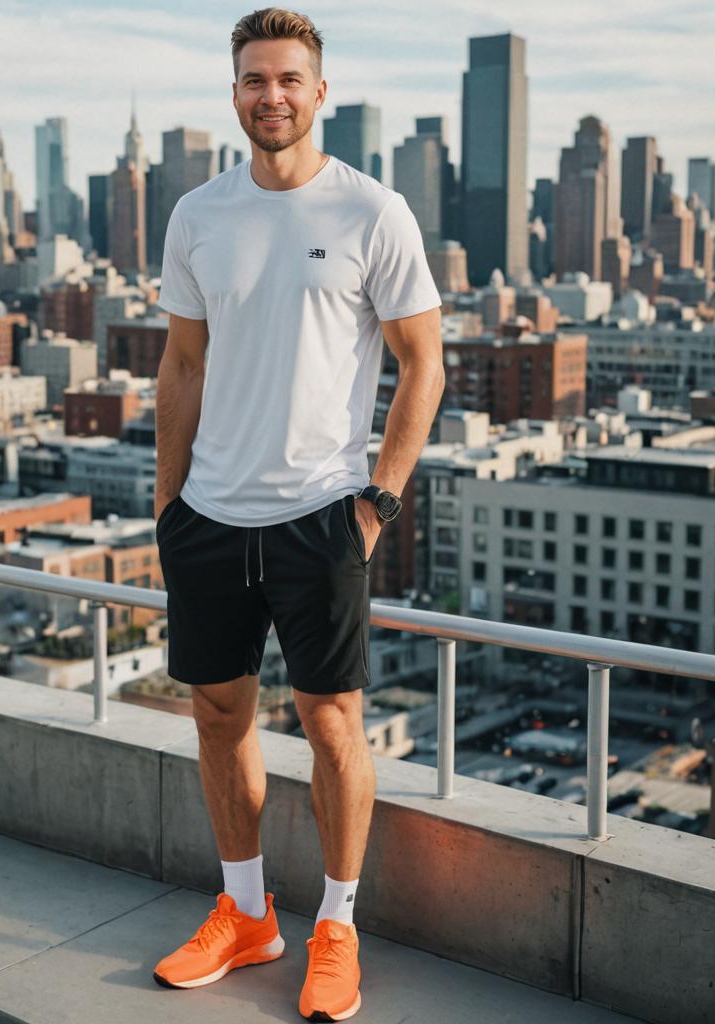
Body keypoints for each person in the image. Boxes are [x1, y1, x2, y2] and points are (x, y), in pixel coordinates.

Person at [150, 7, 444, 1021]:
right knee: (218, 712)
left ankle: (336, 925)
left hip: (323, 518)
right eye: (251, 79)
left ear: (320, 92)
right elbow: (182, 364)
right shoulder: (197, 214)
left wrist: (378, 504)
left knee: (330, 726)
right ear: (232, 92)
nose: (269, 94)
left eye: (287, 78)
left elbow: (423, 366)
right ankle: (245, 913)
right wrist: (166, 502)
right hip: (210, 518)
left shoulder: (373, 213)